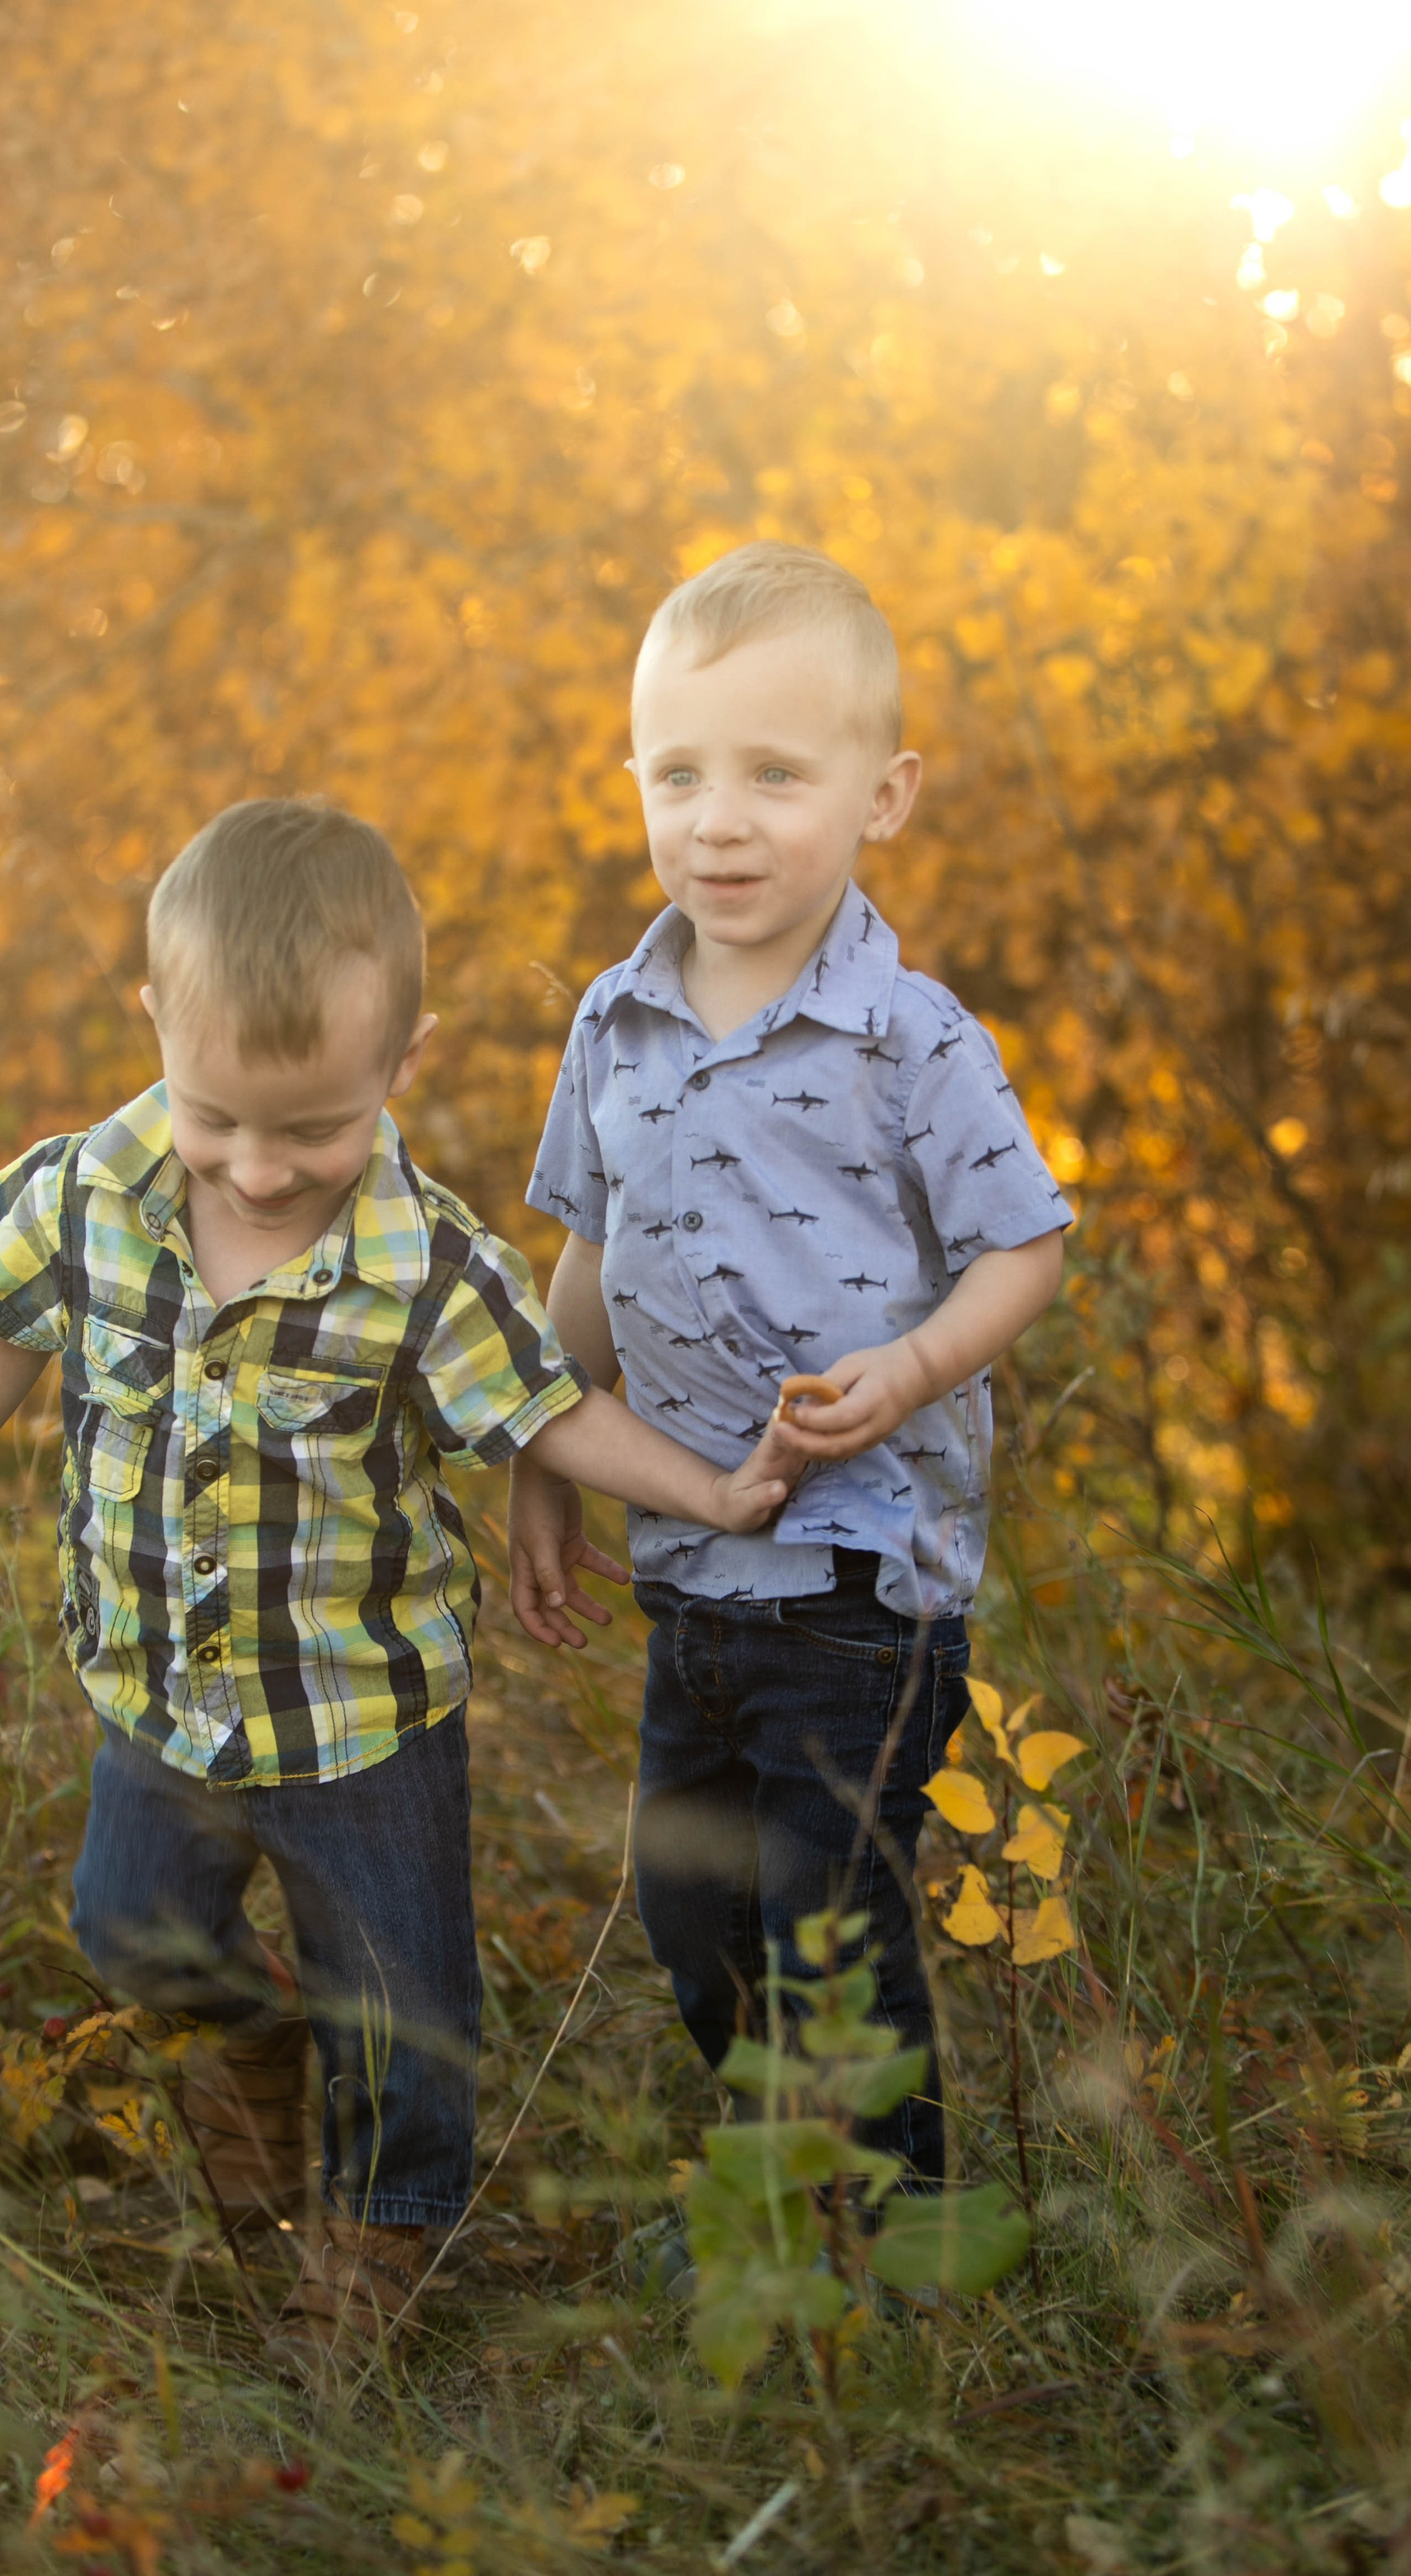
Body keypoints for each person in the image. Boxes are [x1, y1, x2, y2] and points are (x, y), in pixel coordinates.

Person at [0, 797, 799, 2365]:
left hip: (362, 1721)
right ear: (156, 1025)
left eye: (311, 1130)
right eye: (218, 1117)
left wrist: (707, 1490)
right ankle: (245, 2048)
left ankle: (383, 2231)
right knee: (128, 1924)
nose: (259, 1167)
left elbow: (543, 1410)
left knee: (398, 1998)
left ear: (401, 1062)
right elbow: (2, 1327)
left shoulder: (422, 1264)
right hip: (157, 1697)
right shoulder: (89, 1192)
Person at [511, 543, 1072, 2192]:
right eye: (678, 774)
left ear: (879, 796)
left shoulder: (912, 1038)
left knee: (831, 1925)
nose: (719, 821)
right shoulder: (613, 1021)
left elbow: (1023, 1248)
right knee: (693, 1909)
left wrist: (911, 1367)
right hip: (689, 1569)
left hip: (858, 1579)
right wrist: (543, 1456)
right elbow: (587, 1257)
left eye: (774, 774)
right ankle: (782, 2193)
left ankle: (889, 2233)